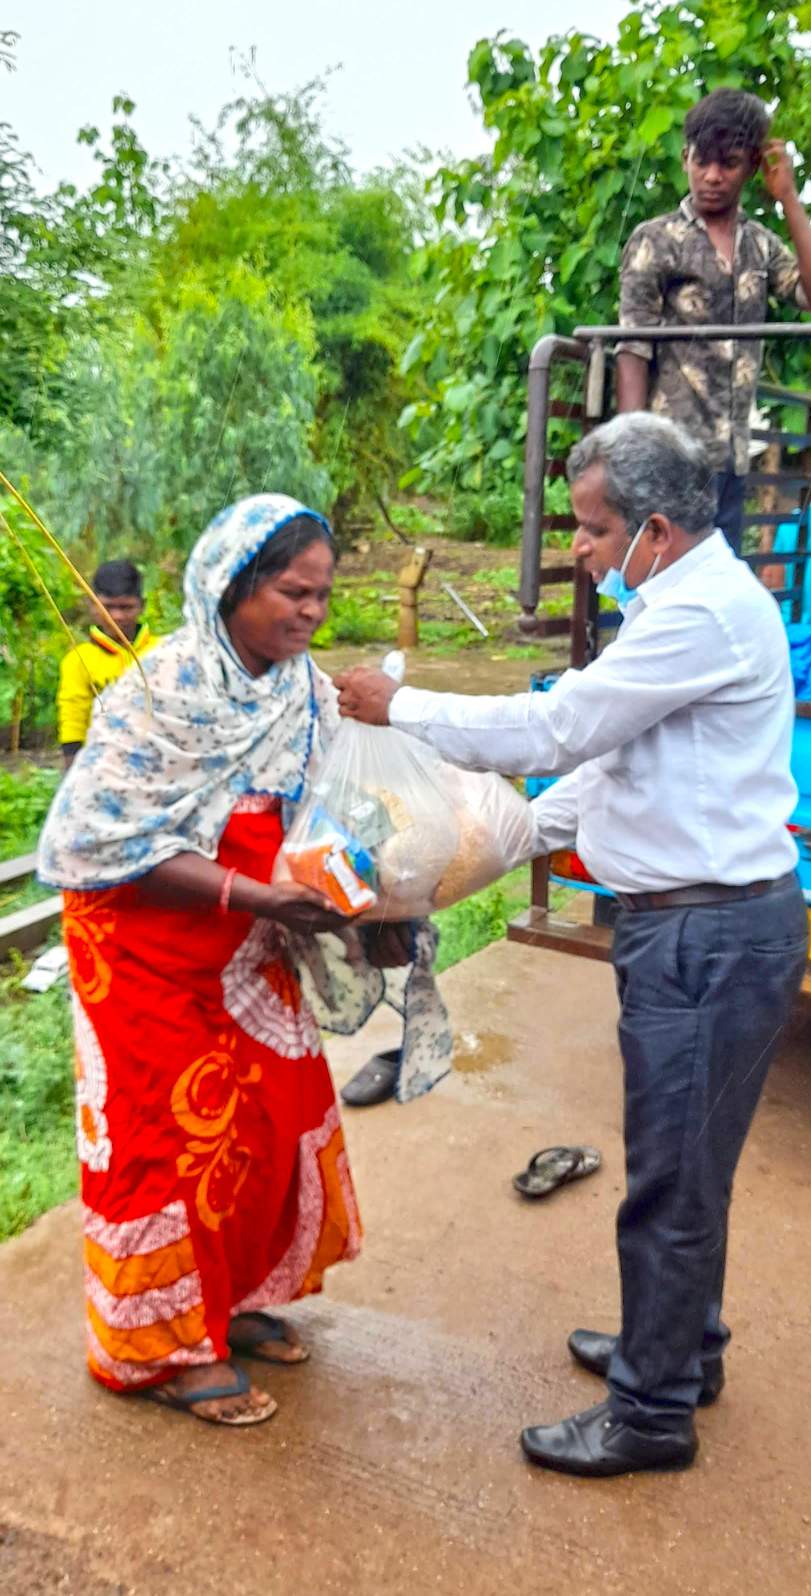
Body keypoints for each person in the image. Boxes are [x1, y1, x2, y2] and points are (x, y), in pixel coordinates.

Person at [335, 413, 810, 1479]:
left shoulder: (701, 615)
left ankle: (651, 1413)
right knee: (689, 1169)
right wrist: (473, 852)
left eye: (592, 531)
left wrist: (399, 708)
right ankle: (683, 1350)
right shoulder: (681, 608)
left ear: (652, 527)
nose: (581, 553)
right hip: (703, 926)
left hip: (706, 934)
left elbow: (558, 733)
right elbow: (599, 778)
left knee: (672, 1181)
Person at [38, 496, 412, 1428]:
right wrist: (252, 897)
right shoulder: (159, 693)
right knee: (163, 1141)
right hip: (143, 945)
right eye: (292, 592)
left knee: (270, 1117)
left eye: (322, 597)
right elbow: (91, 842)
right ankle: (159, 1349)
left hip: (248, 949)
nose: (310, 613)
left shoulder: (301, 690)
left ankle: (230, 1301)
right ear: (232, 585)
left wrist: (375, 897)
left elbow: (337, 810)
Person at [617, 87, 811, 555]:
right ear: (685, 158)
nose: (713, 176)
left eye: (730, 164)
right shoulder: (656, 240)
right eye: (703, 162)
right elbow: (633, 348)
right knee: (656, 597)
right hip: (672, 458)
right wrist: (634, 450)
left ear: (753, 165)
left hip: (732, 462)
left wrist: (789, 200)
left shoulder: (760, 245)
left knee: (715, 600)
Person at [57, 559, 159, 769]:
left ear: (142, 605)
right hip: (104, 765)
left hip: (161, 759)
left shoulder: (164, 651)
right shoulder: (79, 660)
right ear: (92, 605)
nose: (117, 616)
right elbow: (73, 718)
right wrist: (72, 772)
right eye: (108, 607)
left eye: (126, 607)